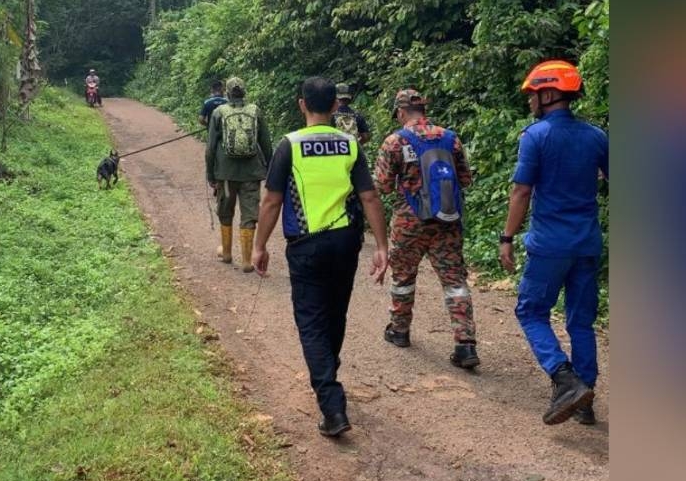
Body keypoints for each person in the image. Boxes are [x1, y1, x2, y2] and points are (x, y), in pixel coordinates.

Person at [252, 76, 389, 438]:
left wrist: (259, 245)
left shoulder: (289, 146)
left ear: (301, 105)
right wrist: (383, 246)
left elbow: (271, 200)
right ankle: (328, 369)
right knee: (335, 312)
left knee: (311, 321)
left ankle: (331, 404)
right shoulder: (349, 144)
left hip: (307, 246)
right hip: (346, 242)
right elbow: (370, 197)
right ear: (334, 106)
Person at [499, 60, 609, 426]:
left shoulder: (536, 136)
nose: (530, 100)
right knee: (581, 320)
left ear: (548, 93)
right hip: (587, 243)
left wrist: (507, 237)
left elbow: (521, 191)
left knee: (530, 312)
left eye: (533, 94)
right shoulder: (596, 136)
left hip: (549, 245)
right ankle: (586, 397)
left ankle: (564, 379)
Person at [374, 89, 479, 369]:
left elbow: (382, 185)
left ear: (400, 111)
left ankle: (399, 330)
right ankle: (465, 344)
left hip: (409, 222)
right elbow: (465, 179)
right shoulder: (450, 138)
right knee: (455, 281)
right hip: (448, 221)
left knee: (403, 277)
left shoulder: (395, 141)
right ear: (424, 109)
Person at [206, 77, 272, 272]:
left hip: (225, 173)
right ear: (245, 92)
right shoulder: (255, 111)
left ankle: (226, 253)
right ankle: (246, 261)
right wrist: (269, 168)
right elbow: (266, 143)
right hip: (251, 172)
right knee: (249, 214)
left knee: (226, 210)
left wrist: (211, 175)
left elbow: (210, 149)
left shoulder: (219, 113)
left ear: (227, 93)